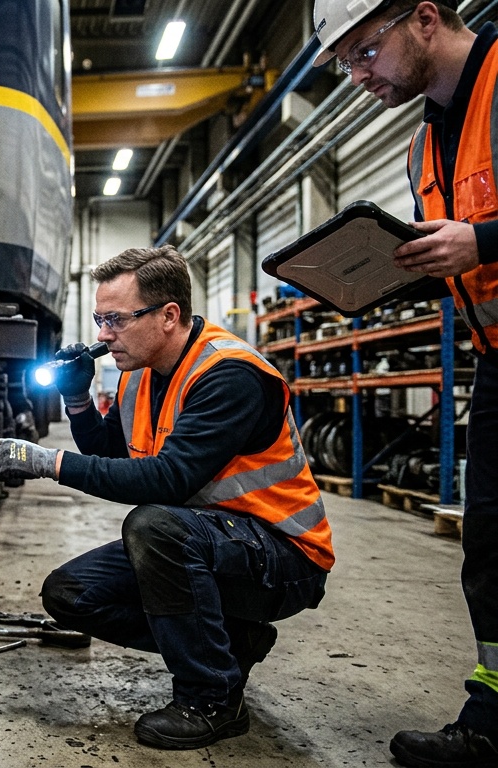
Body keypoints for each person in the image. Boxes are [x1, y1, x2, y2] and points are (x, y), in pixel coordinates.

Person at [0, 245, 333, 750]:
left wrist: (47, 462)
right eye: (100, 320)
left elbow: (167, 479)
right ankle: (230, 643)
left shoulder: (230, 375)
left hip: (281, 555)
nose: (103, 335)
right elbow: (112, 454)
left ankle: (212, 699)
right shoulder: (139, 373)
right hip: (207, 540)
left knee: (154, 526)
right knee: (70, 595)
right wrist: (77, 397)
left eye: (116, 320)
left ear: (168, 316)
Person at [312, 1, 498, 764]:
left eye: (364, 52)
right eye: (345, 65)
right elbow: (458, 255)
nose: (359, 77)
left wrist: (484, 239)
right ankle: (493, 717)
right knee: (490, 543)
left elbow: (479, 240)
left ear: (424, 18)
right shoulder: (424, 141)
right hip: (496, 358)